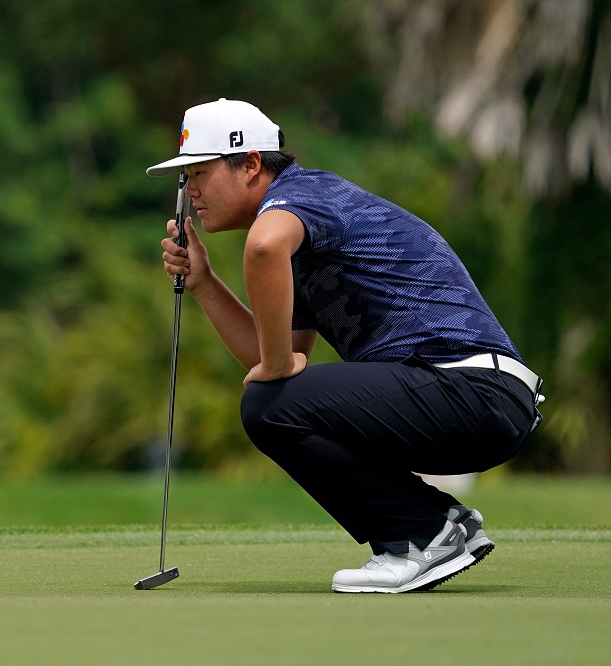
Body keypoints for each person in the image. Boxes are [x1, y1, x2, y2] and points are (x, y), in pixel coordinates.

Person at [148, 98, 544, 593]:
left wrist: (275, 365)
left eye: (199, 172)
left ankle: (421, 534)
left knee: (266, 402)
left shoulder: (304, 195)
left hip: (474, 388)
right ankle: (436, 525)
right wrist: (206, 284)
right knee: (272, 402)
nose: (191, 190)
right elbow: (268, 362)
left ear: (250, 165)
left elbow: (264, 252)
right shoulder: (301, 232)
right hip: (472, 397)